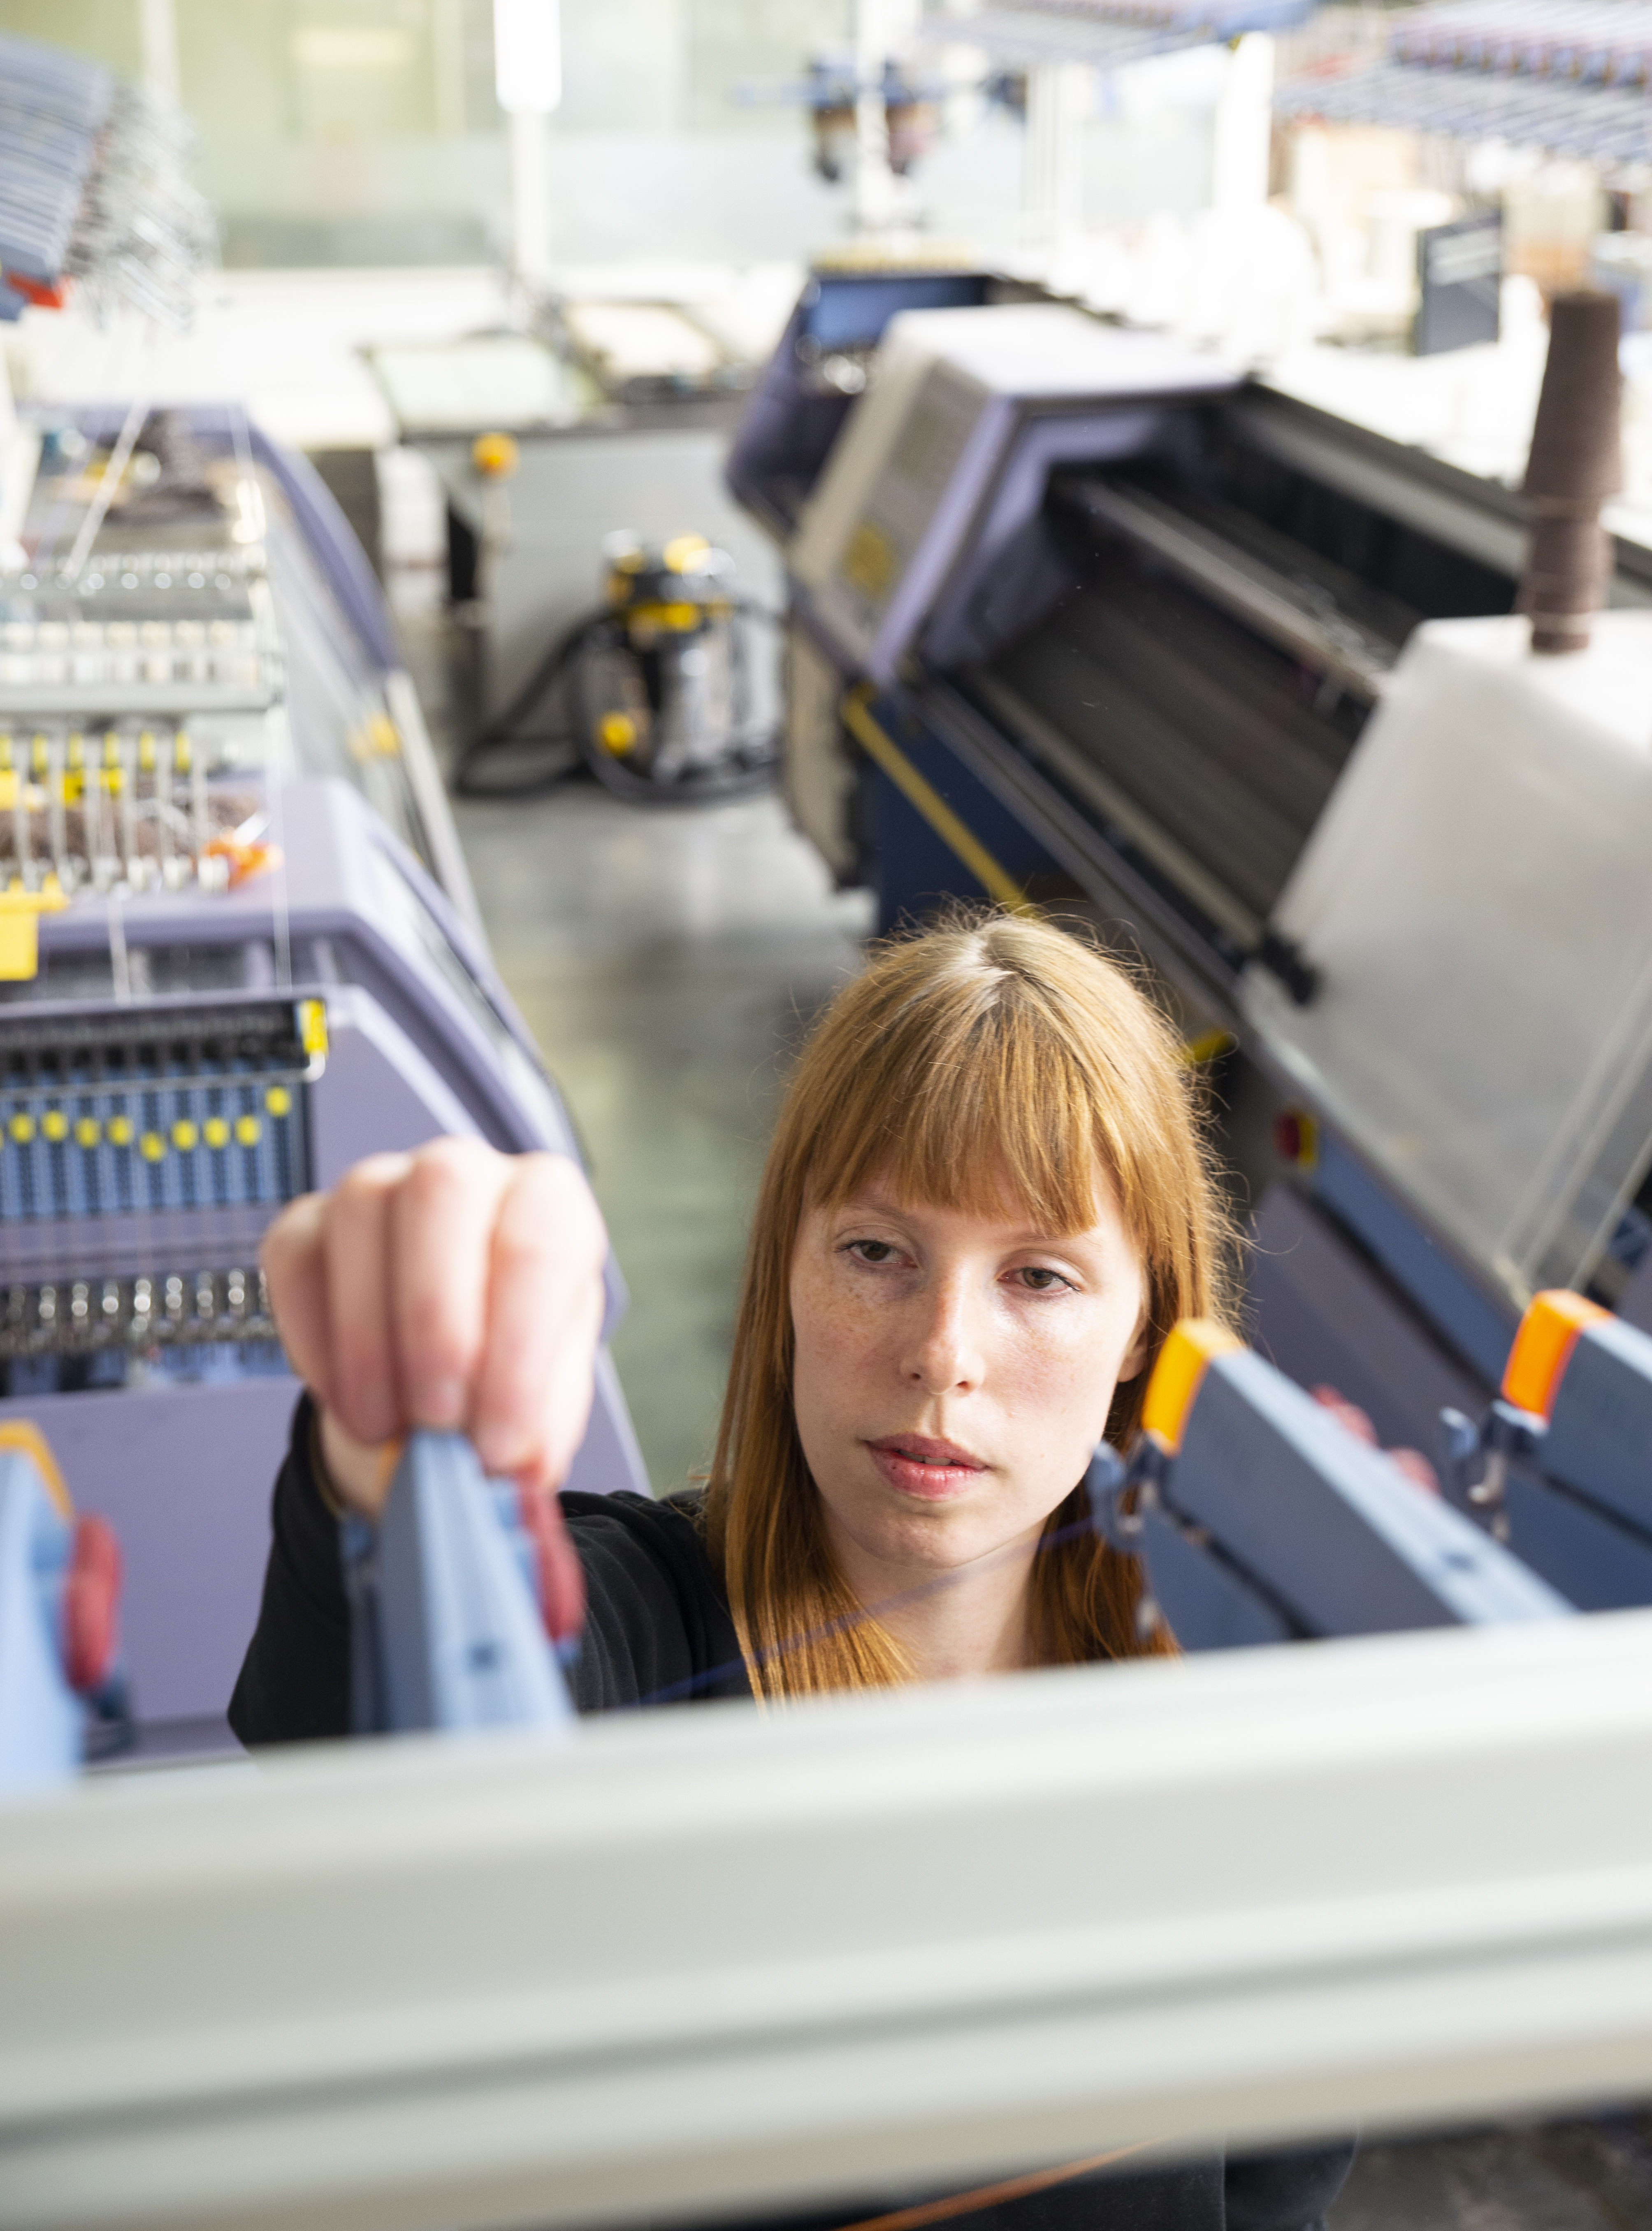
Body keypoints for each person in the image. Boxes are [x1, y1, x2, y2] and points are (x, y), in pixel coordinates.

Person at [232, 911, 1353, 2231]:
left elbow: (1280, 2177)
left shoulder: (1227, 1698)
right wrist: (389, 1452)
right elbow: (382, 1746)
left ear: (1143, 1330)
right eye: (877, 1252)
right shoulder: (647, 1620)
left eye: (1040, 1277)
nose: (944, 1353)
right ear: (787, 1276)